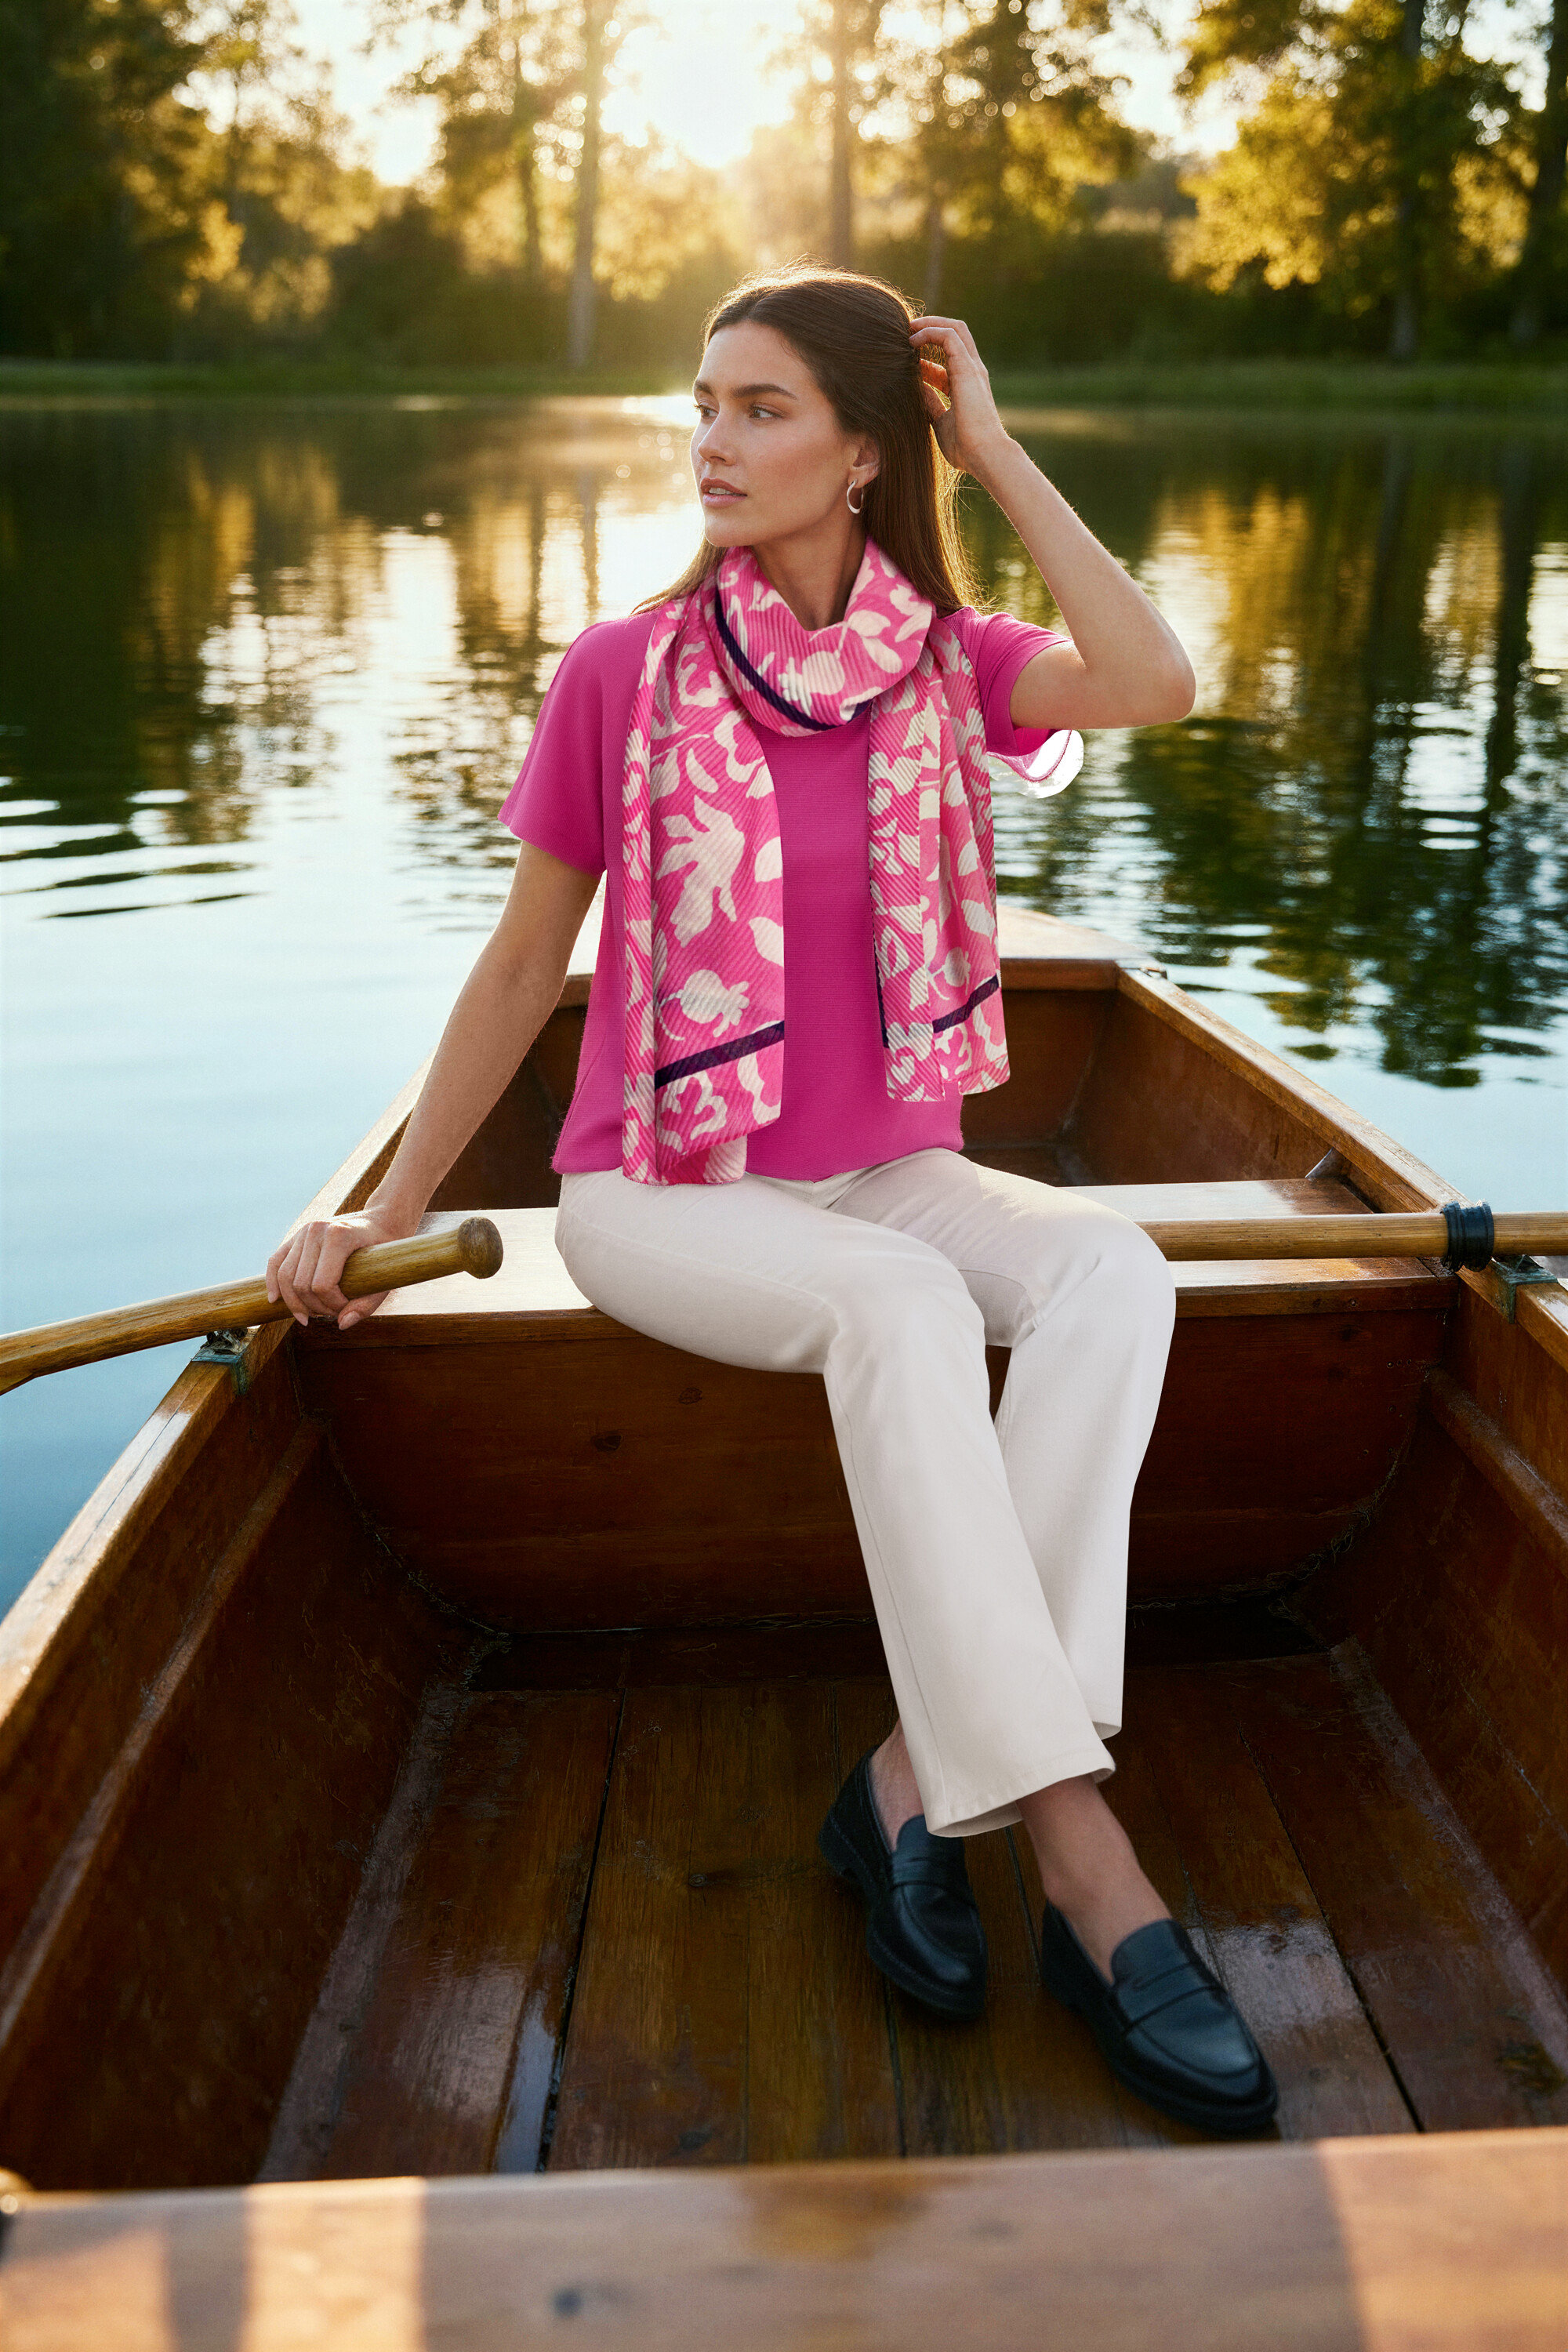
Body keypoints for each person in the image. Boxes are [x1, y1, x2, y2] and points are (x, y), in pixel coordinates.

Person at [267, 267, 1278, 2140]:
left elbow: (1152, 679)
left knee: (1111, 1272)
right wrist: (386, 1213)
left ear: (864, 453)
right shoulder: (615, 675)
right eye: (703, 402)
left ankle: (905, 1781)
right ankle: (1080, 1857)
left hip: (883, 1167)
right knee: (896, 1311)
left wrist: (996, 445)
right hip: (660, 1190)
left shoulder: (944, 662)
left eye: (760, 410)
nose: (711, 442)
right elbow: (515, 978)